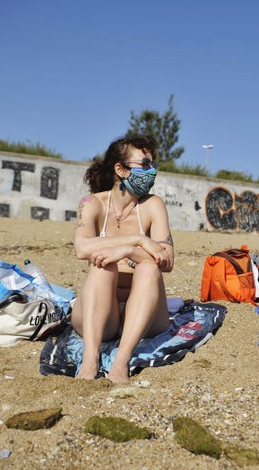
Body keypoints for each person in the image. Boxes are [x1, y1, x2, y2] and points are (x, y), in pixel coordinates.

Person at [71, 134, 174, 383]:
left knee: (149, 270)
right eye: (145, 165)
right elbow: (82, 247)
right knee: (101, 265)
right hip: (101, 312)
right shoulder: (92, 203)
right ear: (120, 169)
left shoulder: (153, 205)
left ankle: (121, 361)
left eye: (152, 165)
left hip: (144, 315)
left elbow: (167, 259)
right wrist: (138, 242)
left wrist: (126, 252)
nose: (151, 172)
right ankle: (90, 359)